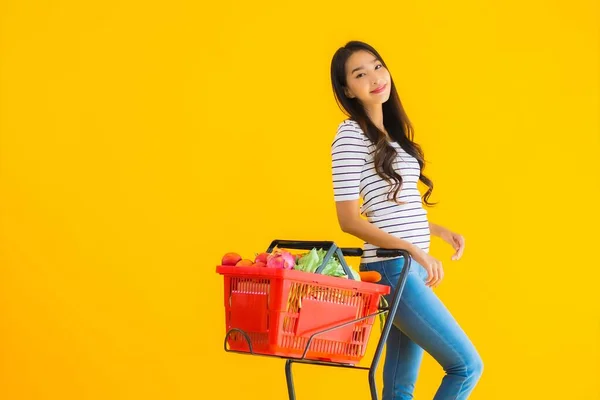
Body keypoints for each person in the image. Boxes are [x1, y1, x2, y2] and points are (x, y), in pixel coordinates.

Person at [330, 41, 484, 400]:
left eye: (377, 66)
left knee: (399, 388)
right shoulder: (350, 135)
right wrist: (414, 250)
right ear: (347, 90)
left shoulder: (393, 139)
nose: (374, 77)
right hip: (392, 268)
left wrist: (436, 231)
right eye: (359, 74)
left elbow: (392, 211)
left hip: (407, 267)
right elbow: (348, 220)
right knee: (466, 367)